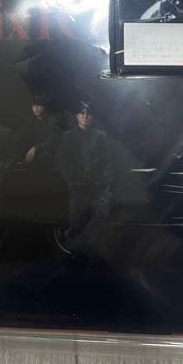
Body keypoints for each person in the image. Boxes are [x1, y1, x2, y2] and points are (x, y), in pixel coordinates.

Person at [59, 101, 112, 250]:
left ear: (92, 117)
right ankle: (74, 246)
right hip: (77, 185)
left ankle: (80, 243)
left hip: (97, 185)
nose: (85, 116)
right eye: (82, 114)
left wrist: (100, 178)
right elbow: (64, 161)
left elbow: (106, 159)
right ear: (77, 116)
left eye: (88, 114)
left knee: (102, 214)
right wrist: (71, 180)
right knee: (77, 220)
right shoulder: (68, 136)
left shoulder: (100, 136)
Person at [15, 95, 62, 170]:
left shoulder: (52, 122)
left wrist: (36, 148)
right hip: (33, 156)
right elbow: (20, 137)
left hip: (48, 157)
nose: (36, 108)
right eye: (34, 106)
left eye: (39, 105)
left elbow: (51, 142)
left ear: (44, 107)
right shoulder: (30, 121)